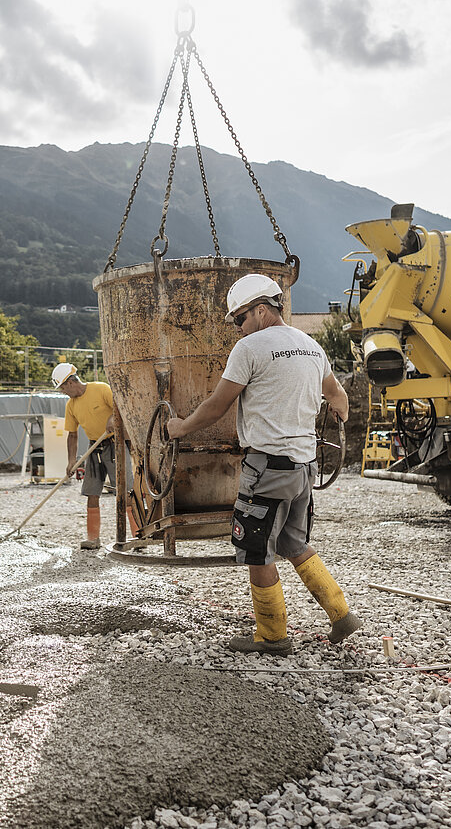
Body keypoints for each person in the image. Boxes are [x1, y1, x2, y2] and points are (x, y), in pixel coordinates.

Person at [166, 273, 361, 655]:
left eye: (238, 319)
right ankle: (341, 614)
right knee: (294, 541)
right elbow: (337, 396)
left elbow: (217, 406)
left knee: (255, 549)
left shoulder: (251, 348)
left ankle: (272, 636)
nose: (238, 328)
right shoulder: (311, 346)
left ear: (259, 310)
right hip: (304, 467)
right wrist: (338, 414)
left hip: (268, 468)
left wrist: (180, 428)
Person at [51, 363, 137, 549]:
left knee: (125, 491)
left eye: (63, 388)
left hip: (116, 445)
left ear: (71, 382)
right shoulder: (71, 406)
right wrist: (71, 461)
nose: (63, 392)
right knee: (91, 492)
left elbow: (121, 407)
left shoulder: (101, 389)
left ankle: (137, 535)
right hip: (94, 449)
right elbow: (72, 435)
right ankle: (93, 538)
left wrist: (112, 418)